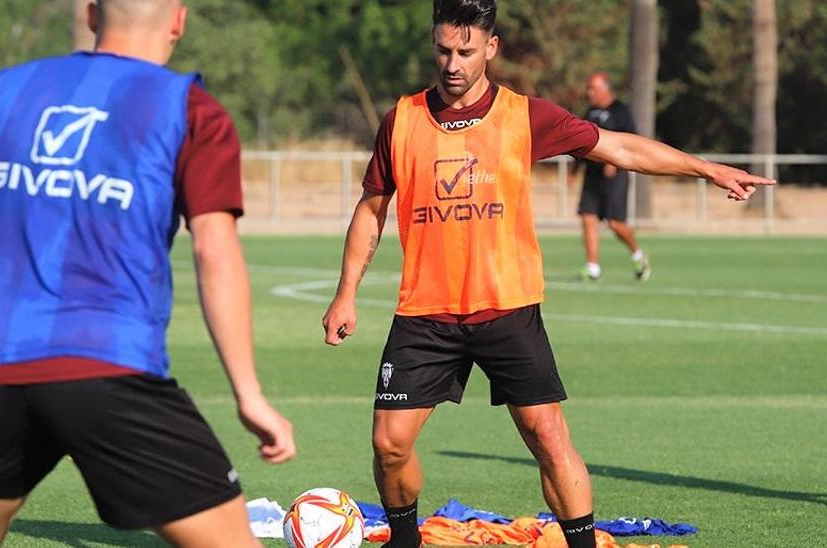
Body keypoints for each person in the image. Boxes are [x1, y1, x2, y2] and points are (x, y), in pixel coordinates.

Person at [320, 1, 772, 546]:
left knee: (548, 435)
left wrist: (705, 168)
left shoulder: (524, 115)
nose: (453, 63)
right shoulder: (401, 120)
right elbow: (371, 208)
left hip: (508, 306)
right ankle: (405, 540)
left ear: (491, 47)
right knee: (390, 445)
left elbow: (621, 148)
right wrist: (345, 294)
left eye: (465, 51)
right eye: (443, 50)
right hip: (426, 313)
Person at [0, 1, 295, 546]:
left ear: (93, 14)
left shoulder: (5, 90)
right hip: (110, 370)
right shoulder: (191, 110)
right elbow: (215, 255)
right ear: (179, 20)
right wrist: (249, 392)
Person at [574, 72, 646, 282]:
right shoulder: (590, 112)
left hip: (615, 177)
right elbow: (579, 142)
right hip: (592, 175)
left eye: (593, 88)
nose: (589, 93)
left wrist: (613, 162)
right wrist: (574, 171)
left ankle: (638, 254)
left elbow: (631, 141)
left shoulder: (620, 111)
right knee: (588, 218)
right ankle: (592, 267)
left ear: (606, 89)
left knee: (615, 224)